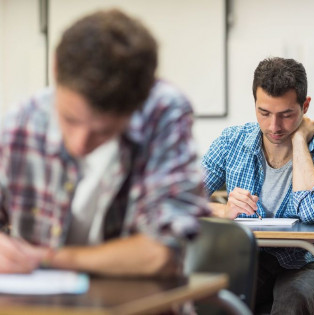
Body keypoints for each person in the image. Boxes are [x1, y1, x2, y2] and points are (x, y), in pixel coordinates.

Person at [0, 9, 209, 277]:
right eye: (70, 119)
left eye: (103, 131)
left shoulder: (163, 113)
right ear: (55, 69)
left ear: (138, 103)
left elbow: (159, 253)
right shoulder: (20, 123)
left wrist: (46, 257)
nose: (79, 145)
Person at [202, 57, 314, 315]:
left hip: (311, 262)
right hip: (251, 257)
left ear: (305, 106)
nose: (274, 127)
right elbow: (179, 200)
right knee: (212, 299)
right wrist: (223, 212)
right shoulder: (231, 141)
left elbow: (313, 212)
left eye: (287, 114)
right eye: (264, 113)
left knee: (291, 301)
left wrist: (300, 140)